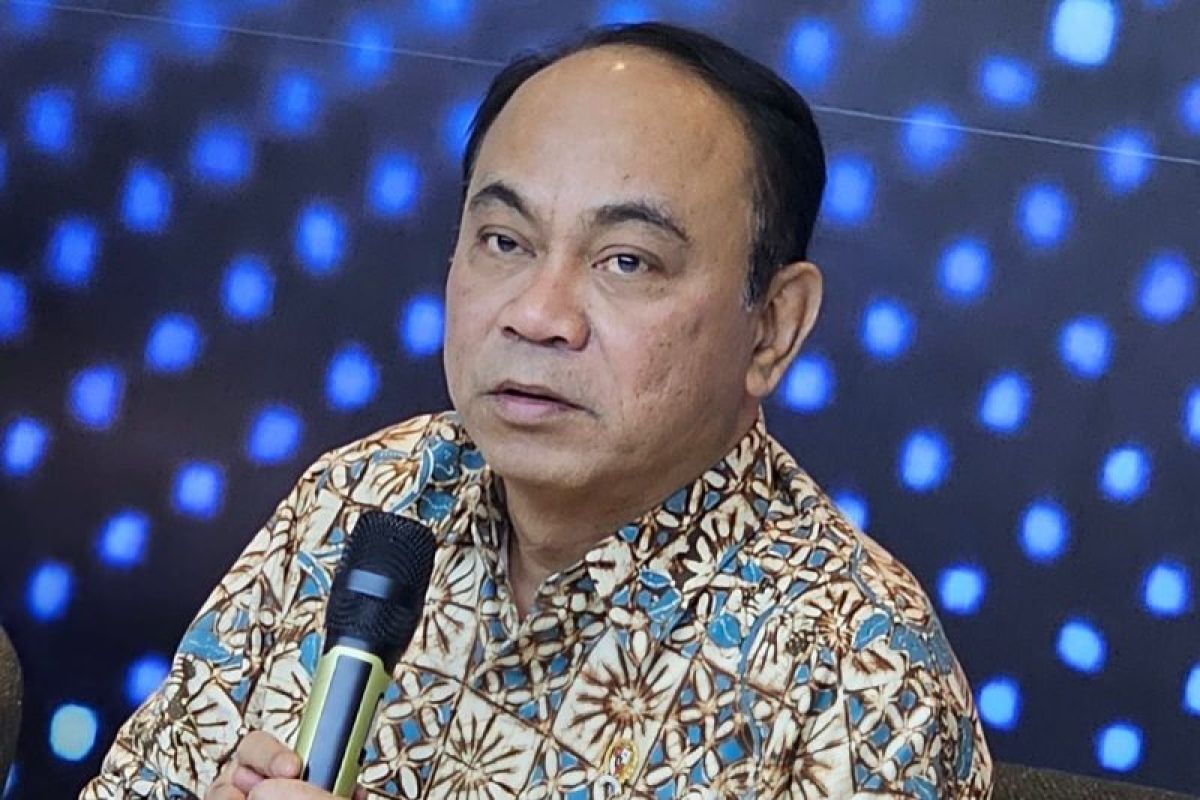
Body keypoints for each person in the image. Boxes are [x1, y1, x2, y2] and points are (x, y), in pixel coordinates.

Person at [82, 21, 992, 800]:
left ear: (774, 327)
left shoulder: (856, 673)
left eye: (626, 260)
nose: (538, 314)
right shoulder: (365, 500)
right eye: (505, 241)